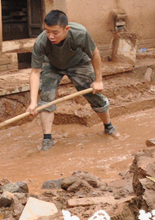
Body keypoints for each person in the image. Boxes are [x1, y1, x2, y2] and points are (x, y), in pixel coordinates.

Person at [27, 10, 120, 151]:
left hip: (79, 63)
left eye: (55, 32)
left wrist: (98, 80)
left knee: (94, 95)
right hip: (52, 65)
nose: (51, 36)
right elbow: (35, 72)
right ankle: (47, 139)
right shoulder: (41, 42)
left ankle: (109, 127)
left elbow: (95, 53)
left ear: (66, 29)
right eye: (47, 31)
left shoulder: (80, 33)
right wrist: (33, 102)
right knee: (45, 100)